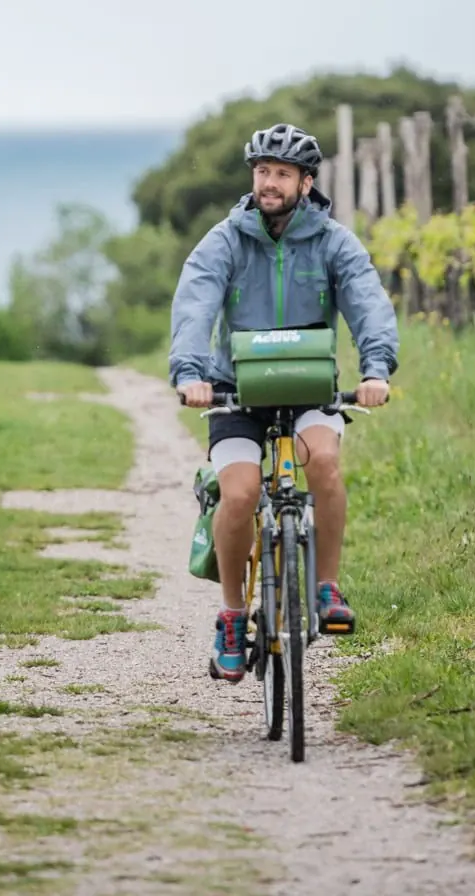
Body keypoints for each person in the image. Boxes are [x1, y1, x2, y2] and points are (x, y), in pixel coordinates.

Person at [169, 123, 398, 683]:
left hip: (310, 389)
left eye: (282, 174)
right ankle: (230, 616)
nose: (270, 183)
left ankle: (326, 588)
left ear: (306, 182)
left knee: (323, 461)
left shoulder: (334, 241)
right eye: (263, 172)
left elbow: (368, 302)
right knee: (242, 492)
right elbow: (195, 305)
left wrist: (376, 370)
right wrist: (191, 374)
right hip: (236, 392)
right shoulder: (224, 239)